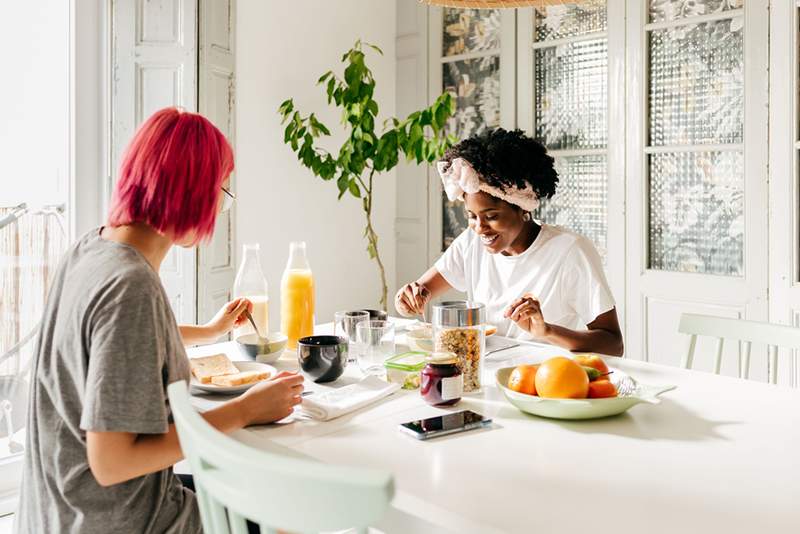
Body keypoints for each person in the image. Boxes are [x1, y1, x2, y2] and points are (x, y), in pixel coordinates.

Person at [16, 107, 304, 533]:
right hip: (117, 520)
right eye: (221, 192)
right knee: (287, 511)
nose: (220, 208)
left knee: (251, 485)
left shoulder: (88, 250)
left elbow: (105, 345)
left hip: (55, 510)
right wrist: (245, 410)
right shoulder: (131, 286)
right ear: (192, 193)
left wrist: (209, 332)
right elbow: (112, 462)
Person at [395, 128, 623, 356]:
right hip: (481, 372)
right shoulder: (471, 243)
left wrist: (546, 331)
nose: (480, 228)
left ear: (523, 208)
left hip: (542, 380)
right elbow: (419, 293)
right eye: (471, 216)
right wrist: (406, 299)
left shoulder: (569, 251)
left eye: (492, 216)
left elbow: (613, 344)